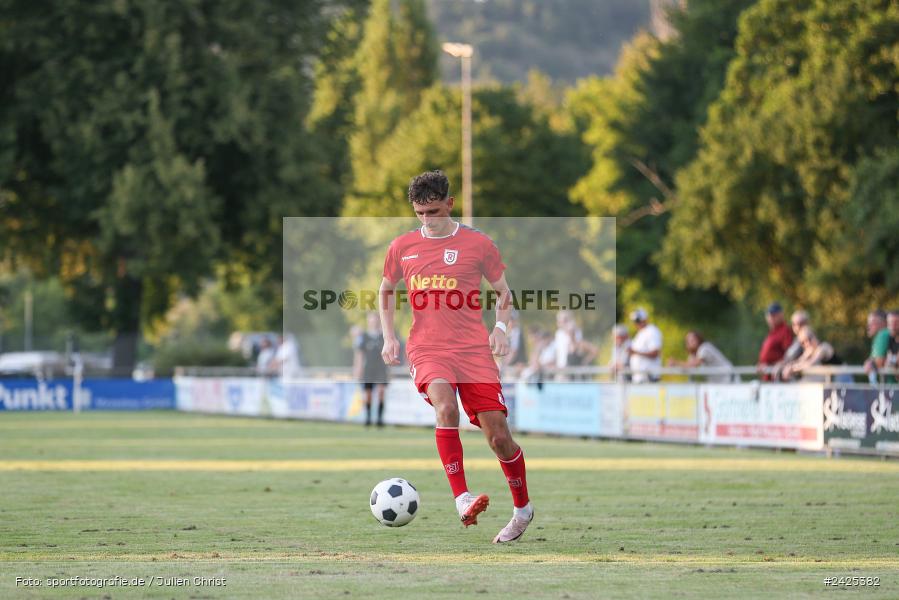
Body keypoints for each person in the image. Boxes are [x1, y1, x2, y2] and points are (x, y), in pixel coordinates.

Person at [378, 170, 533, 544]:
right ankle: (462, 498)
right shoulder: (402, 247)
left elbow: (503, 294)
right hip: (428, 348)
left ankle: (523, 509)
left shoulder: (479, 244)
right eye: (420, 214)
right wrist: (389, 337)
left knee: (499, 438)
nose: (427, 220)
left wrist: (500, 329)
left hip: (474, 351)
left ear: (449, 203)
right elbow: (385, 291)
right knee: (445, 408)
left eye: (433, 211)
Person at [353, 312, 389, 427]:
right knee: (368, 394)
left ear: (379, 321)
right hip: (368, 369)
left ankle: (379, 419)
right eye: (371, 320)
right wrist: (357, 370)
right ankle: (368, 418)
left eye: (375, 320)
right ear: (368, 322)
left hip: (381, 369)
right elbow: (359, 355)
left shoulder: (384, 336)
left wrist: (389, 369)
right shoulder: (363, 337)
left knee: (381, 392)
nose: (373, 322)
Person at [666, 331, 733, 383]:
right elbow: (688, 368)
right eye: (687, 341)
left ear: (698, 340)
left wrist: (675, 363)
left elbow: (693, 365)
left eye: (692, 340)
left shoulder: (705, 348)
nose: (690, 343)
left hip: (729, 381)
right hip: (717, 384)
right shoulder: (693, 354)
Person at [757, 302, 793, 380]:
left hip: (778, 378)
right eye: (769, 315)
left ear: (781, 315)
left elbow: (789, 355)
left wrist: (779, 364)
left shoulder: (785, 331)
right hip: (768, 377)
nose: (770, 318)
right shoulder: (772, 332)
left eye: (773, 315)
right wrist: (762, 364)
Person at [627, 308, 662, 383]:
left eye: (638, 320)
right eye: (635, 321)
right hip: (639, 378)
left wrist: (635, 352)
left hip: (649, 378)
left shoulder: (652, 331)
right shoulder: (640, 333)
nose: (637, 323)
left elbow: (655, 353)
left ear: (645, 319)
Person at [863, 310, 891, 384]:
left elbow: (879, 362)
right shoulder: (882, 335)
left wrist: (871, 363)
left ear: (884, 323)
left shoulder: (883, 334)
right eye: (868, 323)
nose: (868, 326)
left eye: (872, 322)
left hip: (893, 388)